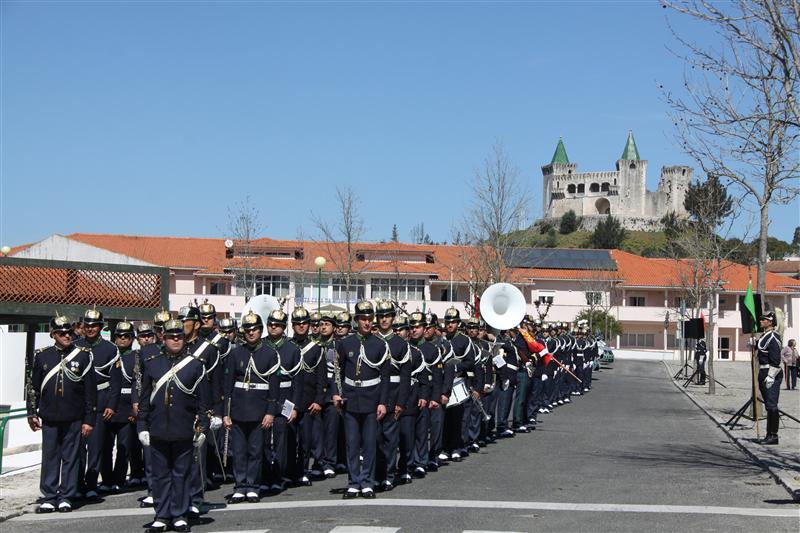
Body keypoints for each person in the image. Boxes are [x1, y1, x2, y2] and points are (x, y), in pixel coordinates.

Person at [137, 319, 211, 533]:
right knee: (160, 475)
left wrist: (203, 428)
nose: (176, 340)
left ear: (184, 338)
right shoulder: (152, 363)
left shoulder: (195, 364)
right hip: (158, 428)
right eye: (171, 336)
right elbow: (144, 399)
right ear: (164, 338)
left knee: (181, 474)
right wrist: (142, 426)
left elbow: (202, 401)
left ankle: (179, 514)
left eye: (179, 336)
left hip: (183, 428)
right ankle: (161, 514)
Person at [27, 314, 96, 513]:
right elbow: (33, 388)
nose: (67, 336)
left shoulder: (82, 356)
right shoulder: (42, 356)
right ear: (53, 335)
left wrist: (89, 419)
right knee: (50, 457)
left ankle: (67, 495)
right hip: (49, 417)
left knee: (71, 457)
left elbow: (90, 391)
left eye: (69, 332)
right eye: (62, 333)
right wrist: (32, 412)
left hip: (74, 416)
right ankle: (49, 495)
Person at [332, 301, 390, 499]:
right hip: (350, 399)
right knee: (352, 443)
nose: (367, 322)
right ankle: (354, 481)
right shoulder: (345, 344)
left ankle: (367, 482)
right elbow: (337, 372)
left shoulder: (380, 345)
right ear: (356, 320)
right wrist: (336, 393)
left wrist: (383, 402)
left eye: (369, 319)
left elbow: (385, 377)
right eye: (363, 319)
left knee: (369, 443)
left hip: (371, 399)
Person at [223, 311, 279, 503]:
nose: (251, 333)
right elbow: (228, 386)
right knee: (239, 450)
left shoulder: (270, 354)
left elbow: (274, 388)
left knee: (256, 450)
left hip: (259, 408)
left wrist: (271, 412)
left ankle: (253, 485)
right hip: (239, 409)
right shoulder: (235, 353)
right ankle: (240, 486)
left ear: (261, 331)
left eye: (254, 329)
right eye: (247, 330)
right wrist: (226, 413)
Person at [75, 308, 119, 499]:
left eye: (94, 325)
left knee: (96, 447)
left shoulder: (110, 349)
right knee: (77, 448)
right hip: (79, 403)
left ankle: (92, 484)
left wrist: (112, 404)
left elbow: (116, 381)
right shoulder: (75, 346)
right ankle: (77, 484)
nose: (90, 328)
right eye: (87, 325)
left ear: (101, 327)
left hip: (101, 402)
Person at [756, 311, 783, 445]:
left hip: (770, 372)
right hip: (763, 371)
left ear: (770, 322)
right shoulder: (765, 335)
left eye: (764, 319)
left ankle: (773, 435)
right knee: (768, 405)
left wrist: (771, 376)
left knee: (772, 406)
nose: (761, 321)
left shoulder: (773, 336)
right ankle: (769, 434)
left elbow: (776, 359)